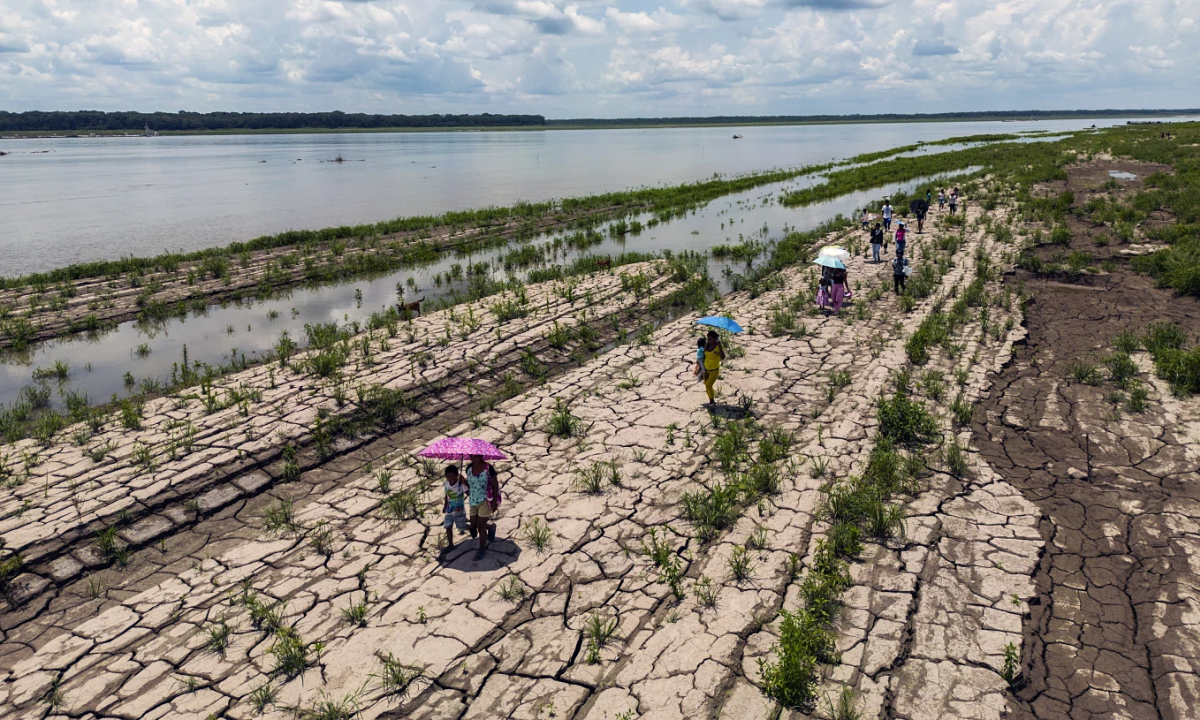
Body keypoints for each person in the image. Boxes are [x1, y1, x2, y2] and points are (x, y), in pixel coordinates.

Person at [465, 453, 499, 560]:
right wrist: (463, 481)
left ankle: (481, 550)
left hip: (485, 500)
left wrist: (494, 503)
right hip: (473, 500)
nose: (473, 458)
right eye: (471, 456)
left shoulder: (488, 468)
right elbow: (470, 485)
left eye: (475, 456)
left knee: (480, 526)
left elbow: (495, 485)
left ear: (481, 456)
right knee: (474, 524)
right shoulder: (469, 468)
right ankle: (491, 527)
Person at [442, 465, 471, 552]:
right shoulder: (446, 484)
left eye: (453, 476)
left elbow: (469, 493)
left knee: (461, 527)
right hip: (449, 510)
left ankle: (470, 527)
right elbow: (447, 495)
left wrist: (465, 482)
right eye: (448, 476)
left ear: (457, 475)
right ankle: (450, 545)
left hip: (459, 511)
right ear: (446, 477)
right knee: (448, 526)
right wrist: (445, 506)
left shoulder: (460, 484)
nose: (451, 478)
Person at [702, 330, 725, 406]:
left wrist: (720, 348)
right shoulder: (706, 345)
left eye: (710, 338)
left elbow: (723, 357)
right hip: (705, 369)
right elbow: (703, 356)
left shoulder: (718, 347)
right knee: (706, 386)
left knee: (709, 385)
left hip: (714, 370)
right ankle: (710, 400)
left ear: (715, 338)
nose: (709, 340)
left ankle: (712, 401)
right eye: (708, 338)